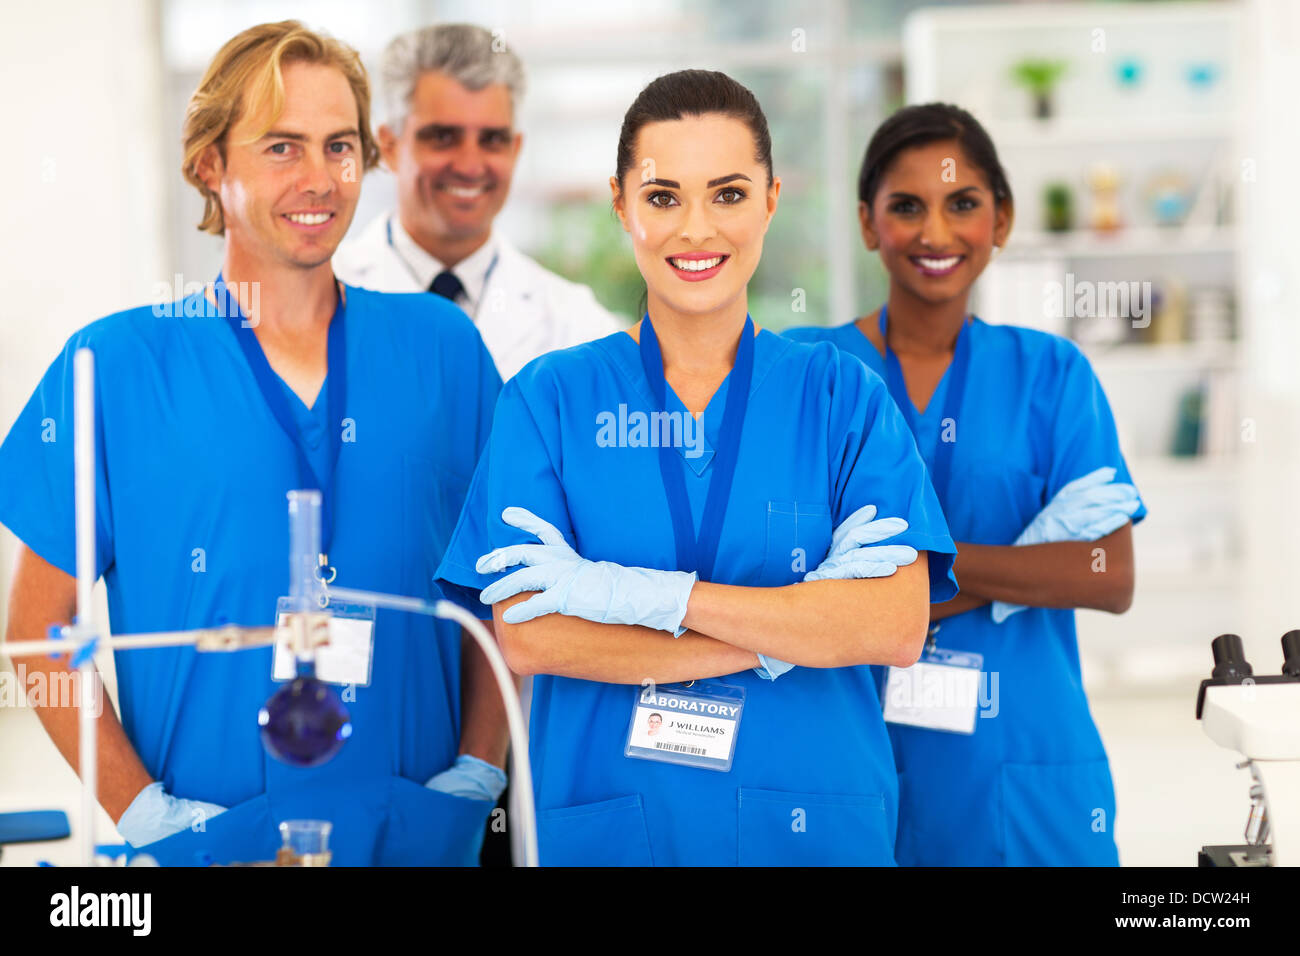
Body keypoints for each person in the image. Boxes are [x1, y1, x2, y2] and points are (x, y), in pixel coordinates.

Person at [0, 21, 508, 866]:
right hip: (211, 840)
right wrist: (143, 814)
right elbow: (35, 628)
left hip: (416, 831)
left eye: (339, 146)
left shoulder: (440, 349)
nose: (318, 179)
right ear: (210, 164)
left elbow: (506, 590)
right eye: (281, 147)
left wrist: (477, 772)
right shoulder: (118, 367)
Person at [436, 70, 958, 867]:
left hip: (816, 829)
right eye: (662, 196)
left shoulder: (841, 396)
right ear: (621, 205)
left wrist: (642, 600)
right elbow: (532, 634)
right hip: (619, 829)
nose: (697, 229)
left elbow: (892, 623)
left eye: (728, 194)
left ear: (772, 199)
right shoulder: (550, 400)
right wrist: (797, 629)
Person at [785, 103, 1145, 866]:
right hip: (850, 748)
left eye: (964, 204)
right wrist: (1018, 565)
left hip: (1018, 761)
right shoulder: (811, 373)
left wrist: (908, 574)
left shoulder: (1051, 373)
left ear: (1002, 220)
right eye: (906, 206)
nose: (936, 233)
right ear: (866, 222)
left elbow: (1106, 572)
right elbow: (788, 568)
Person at [333, 23, 621, 380]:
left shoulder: (577, 324)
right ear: (389, 147)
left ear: (516, 150)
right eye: (442, 137)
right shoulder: (325, 294)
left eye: (492, 139)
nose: (470, 166)